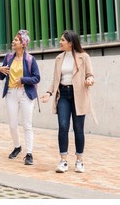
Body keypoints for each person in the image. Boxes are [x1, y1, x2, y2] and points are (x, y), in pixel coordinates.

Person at [40, 30, 95, 173]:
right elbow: (55, 79)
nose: (60, 42)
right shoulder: (59, 58)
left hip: (79, 95)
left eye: (63, 40)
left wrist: (89, 80)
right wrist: (49, 92)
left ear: (70, 43)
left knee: (78, 129)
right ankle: (63, 160)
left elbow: (90, 74)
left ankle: (79, 161)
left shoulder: (84, 57)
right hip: (63, 95)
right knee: (63, 126)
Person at [0, 30, 40, 165]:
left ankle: (29, 153)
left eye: (16, 40)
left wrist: (23, 80)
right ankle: (17, 146)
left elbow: (37, 77)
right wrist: (0, 69)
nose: (13, 42)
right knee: (13, 125)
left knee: (27, 125)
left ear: (23, 44)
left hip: (25, 94)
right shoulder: (8, 57)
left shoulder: (30, 59)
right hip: (11, 93)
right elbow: (2, 76)